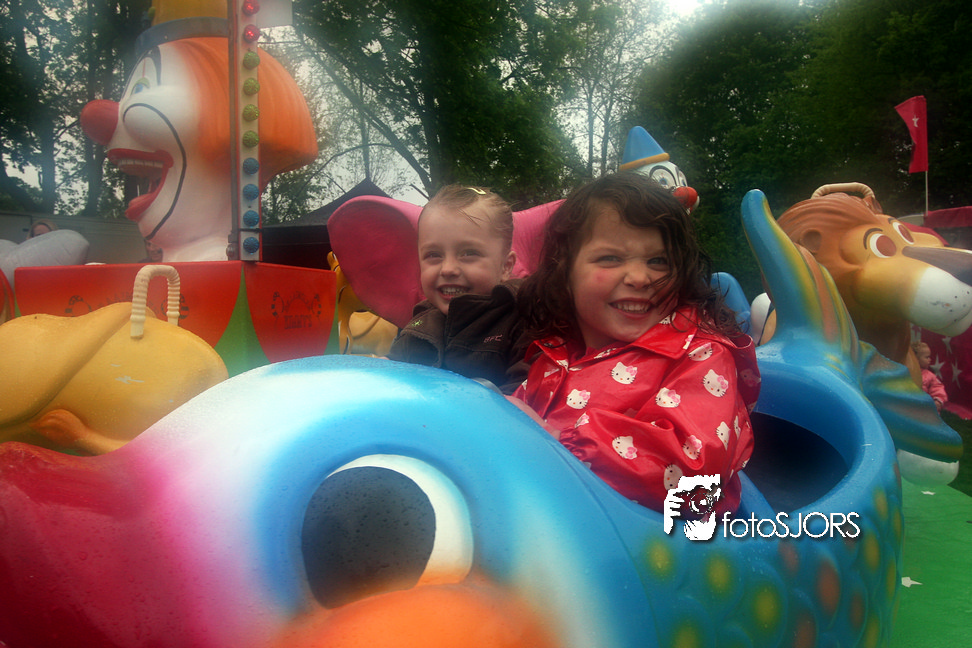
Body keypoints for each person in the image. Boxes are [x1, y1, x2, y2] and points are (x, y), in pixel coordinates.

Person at [509, 172, 760, 514]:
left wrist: (554, 442)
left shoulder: (702, 354)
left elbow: (696, 472)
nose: (640, 278)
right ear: (565, 272)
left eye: (658, 261)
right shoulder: (555, 356)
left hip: (655, 543)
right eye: (610, 258)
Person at [387, 185, 528, 393]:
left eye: (468, 253)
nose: (448, 269)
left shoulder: (524, 322)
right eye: (434, 255)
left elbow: (532, 393)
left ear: (506, 267)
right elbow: (392, 381)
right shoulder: (418, 326)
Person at [913, 340, 948, 412]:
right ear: (916, 359)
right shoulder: (905, 372)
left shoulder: (930, 376)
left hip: (925, 408)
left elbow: (937, 388)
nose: (930, 359)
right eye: (927, 357)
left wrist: (938, 401)